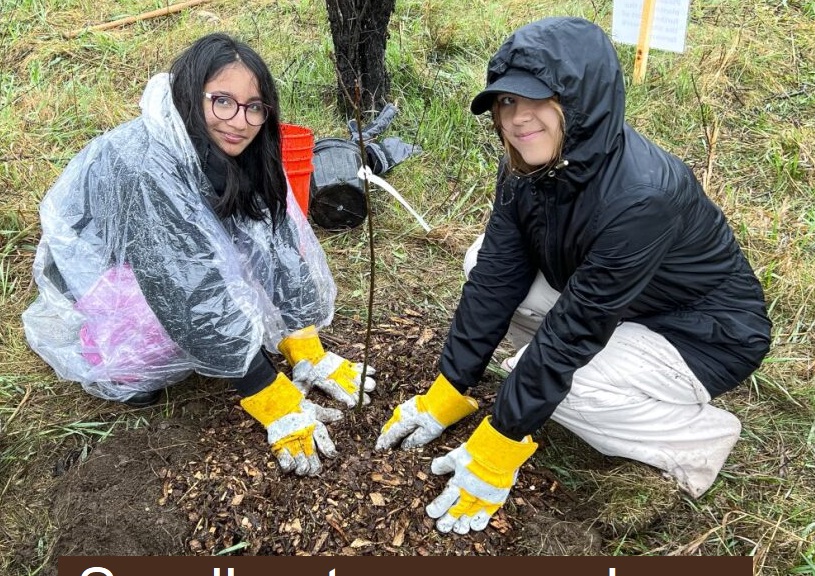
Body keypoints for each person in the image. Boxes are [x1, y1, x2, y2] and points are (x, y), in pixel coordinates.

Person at [376, 17, 771, 534]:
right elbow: (497, 274)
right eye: (507, 102)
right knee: (479, 261)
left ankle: (695, 438)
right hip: (617, 301)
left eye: (537, 100)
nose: (517, 119)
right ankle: (606, 373)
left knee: (565, 385)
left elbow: (574, 331)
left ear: (581, 102)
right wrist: (451, 386)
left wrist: (500, 445)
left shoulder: (643, 195)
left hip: (700, 332)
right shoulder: (527, 161)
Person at [23, 33, 375, 477]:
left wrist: (305, 346)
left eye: (254, 107)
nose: (240, 121)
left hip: (166, 256)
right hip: (102, 269)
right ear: (191, 95)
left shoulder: (247, 149)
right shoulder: (146, 165)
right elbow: (187, 290)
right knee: (141, 363)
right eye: (222, 101)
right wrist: (269, 394)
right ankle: (110, 349)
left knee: (240, 261)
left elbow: (278, 242)